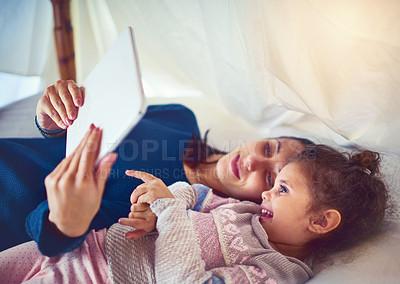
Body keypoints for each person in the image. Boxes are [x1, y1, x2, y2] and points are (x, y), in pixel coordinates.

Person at [0, 127, 388, 284]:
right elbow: (193, 194)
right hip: (89, 246)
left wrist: (169, 216)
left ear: (320, 221)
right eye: (269, 150)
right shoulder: (249, 212)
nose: (266, 194)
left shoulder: (275, 273)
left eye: (279, 186)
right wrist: (159, 203)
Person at [0, 79, 313, 255]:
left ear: (266, 200)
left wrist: (65, 225)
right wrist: (54, 120)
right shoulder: (179, 117)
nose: (253, 161)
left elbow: (41, 227)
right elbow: (75, 130)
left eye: (271, 176)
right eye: (269, 148)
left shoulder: (167, 209)